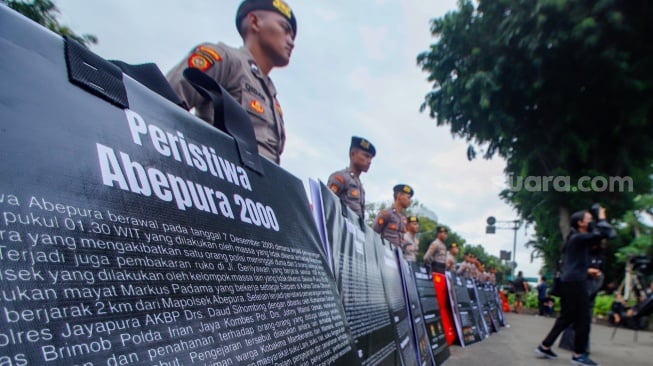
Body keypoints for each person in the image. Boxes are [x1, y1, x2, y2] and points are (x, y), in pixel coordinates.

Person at [167, 0, 297, 164]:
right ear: (255, 22)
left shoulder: (272, 96)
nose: (291, 41)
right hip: (218, 179)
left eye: (292, 36)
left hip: (260, 186)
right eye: (285, 29)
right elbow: (162, 101)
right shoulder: (225, 59)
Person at [535, 207, 615, 366]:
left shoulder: (577, 238)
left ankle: (545, 346)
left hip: (572, 280)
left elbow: (574, 263)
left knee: (567, 317)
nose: (590, 220)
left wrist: (587, 270)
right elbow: (607, 233)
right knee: (583, 318)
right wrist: (601, 216)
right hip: (576, 282)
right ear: (580, 223)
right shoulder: (578, 237)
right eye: (588, 218)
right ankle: (579, 355)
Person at [327, 136, 376, 220]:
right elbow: (326, 204)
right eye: (366, 156)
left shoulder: (360, 187)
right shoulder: (340, 178)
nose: (369, 161)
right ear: (352, 154)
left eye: (371, 158)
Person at [373, 184, 413, 249]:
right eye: (408, 197)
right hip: (386, 252)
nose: (410, 201)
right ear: (399, 195)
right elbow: (374, 233)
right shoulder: (385, 213)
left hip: (398, 255)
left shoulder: (404, 218)